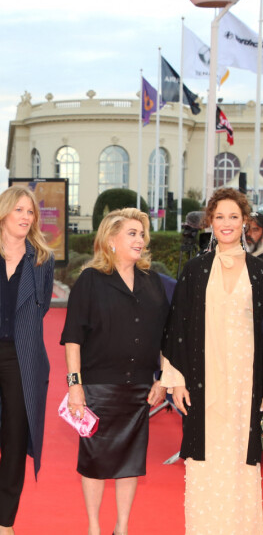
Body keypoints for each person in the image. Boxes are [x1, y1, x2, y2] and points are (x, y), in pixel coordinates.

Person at [160, 187, 263, 535]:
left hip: (246, 383)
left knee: (241, 462)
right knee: (206, 461)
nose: (227, 223)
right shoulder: (195, 270)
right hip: (203, 380)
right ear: (210, 222)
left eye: (234, 217)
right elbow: (176, 324)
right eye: (220, 216)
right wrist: (176, 379)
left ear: (246, 223)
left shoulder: (261, 272)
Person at [61, 208, 168, 535]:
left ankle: (121, 528)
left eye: (142, 234)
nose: (140, 240)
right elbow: (73, 338)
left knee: (130, 463)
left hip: (139, 388)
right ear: (111, 240)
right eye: (132, 233)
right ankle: (94, 528)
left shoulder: (153, 281)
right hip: (98, 387)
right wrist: (75, 386)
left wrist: (163, 379)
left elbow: (165, 335)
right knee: (94, 461)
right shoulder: (91, 280)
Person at [0, 186, 53, 535]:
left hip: (21, 358)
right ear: (4, 212)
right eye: (18, 209)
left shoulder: (41, 260)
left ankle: (5, 522)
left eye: (30, 212)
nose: (24, 217)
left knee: (16, 439)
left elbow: (42, 307)